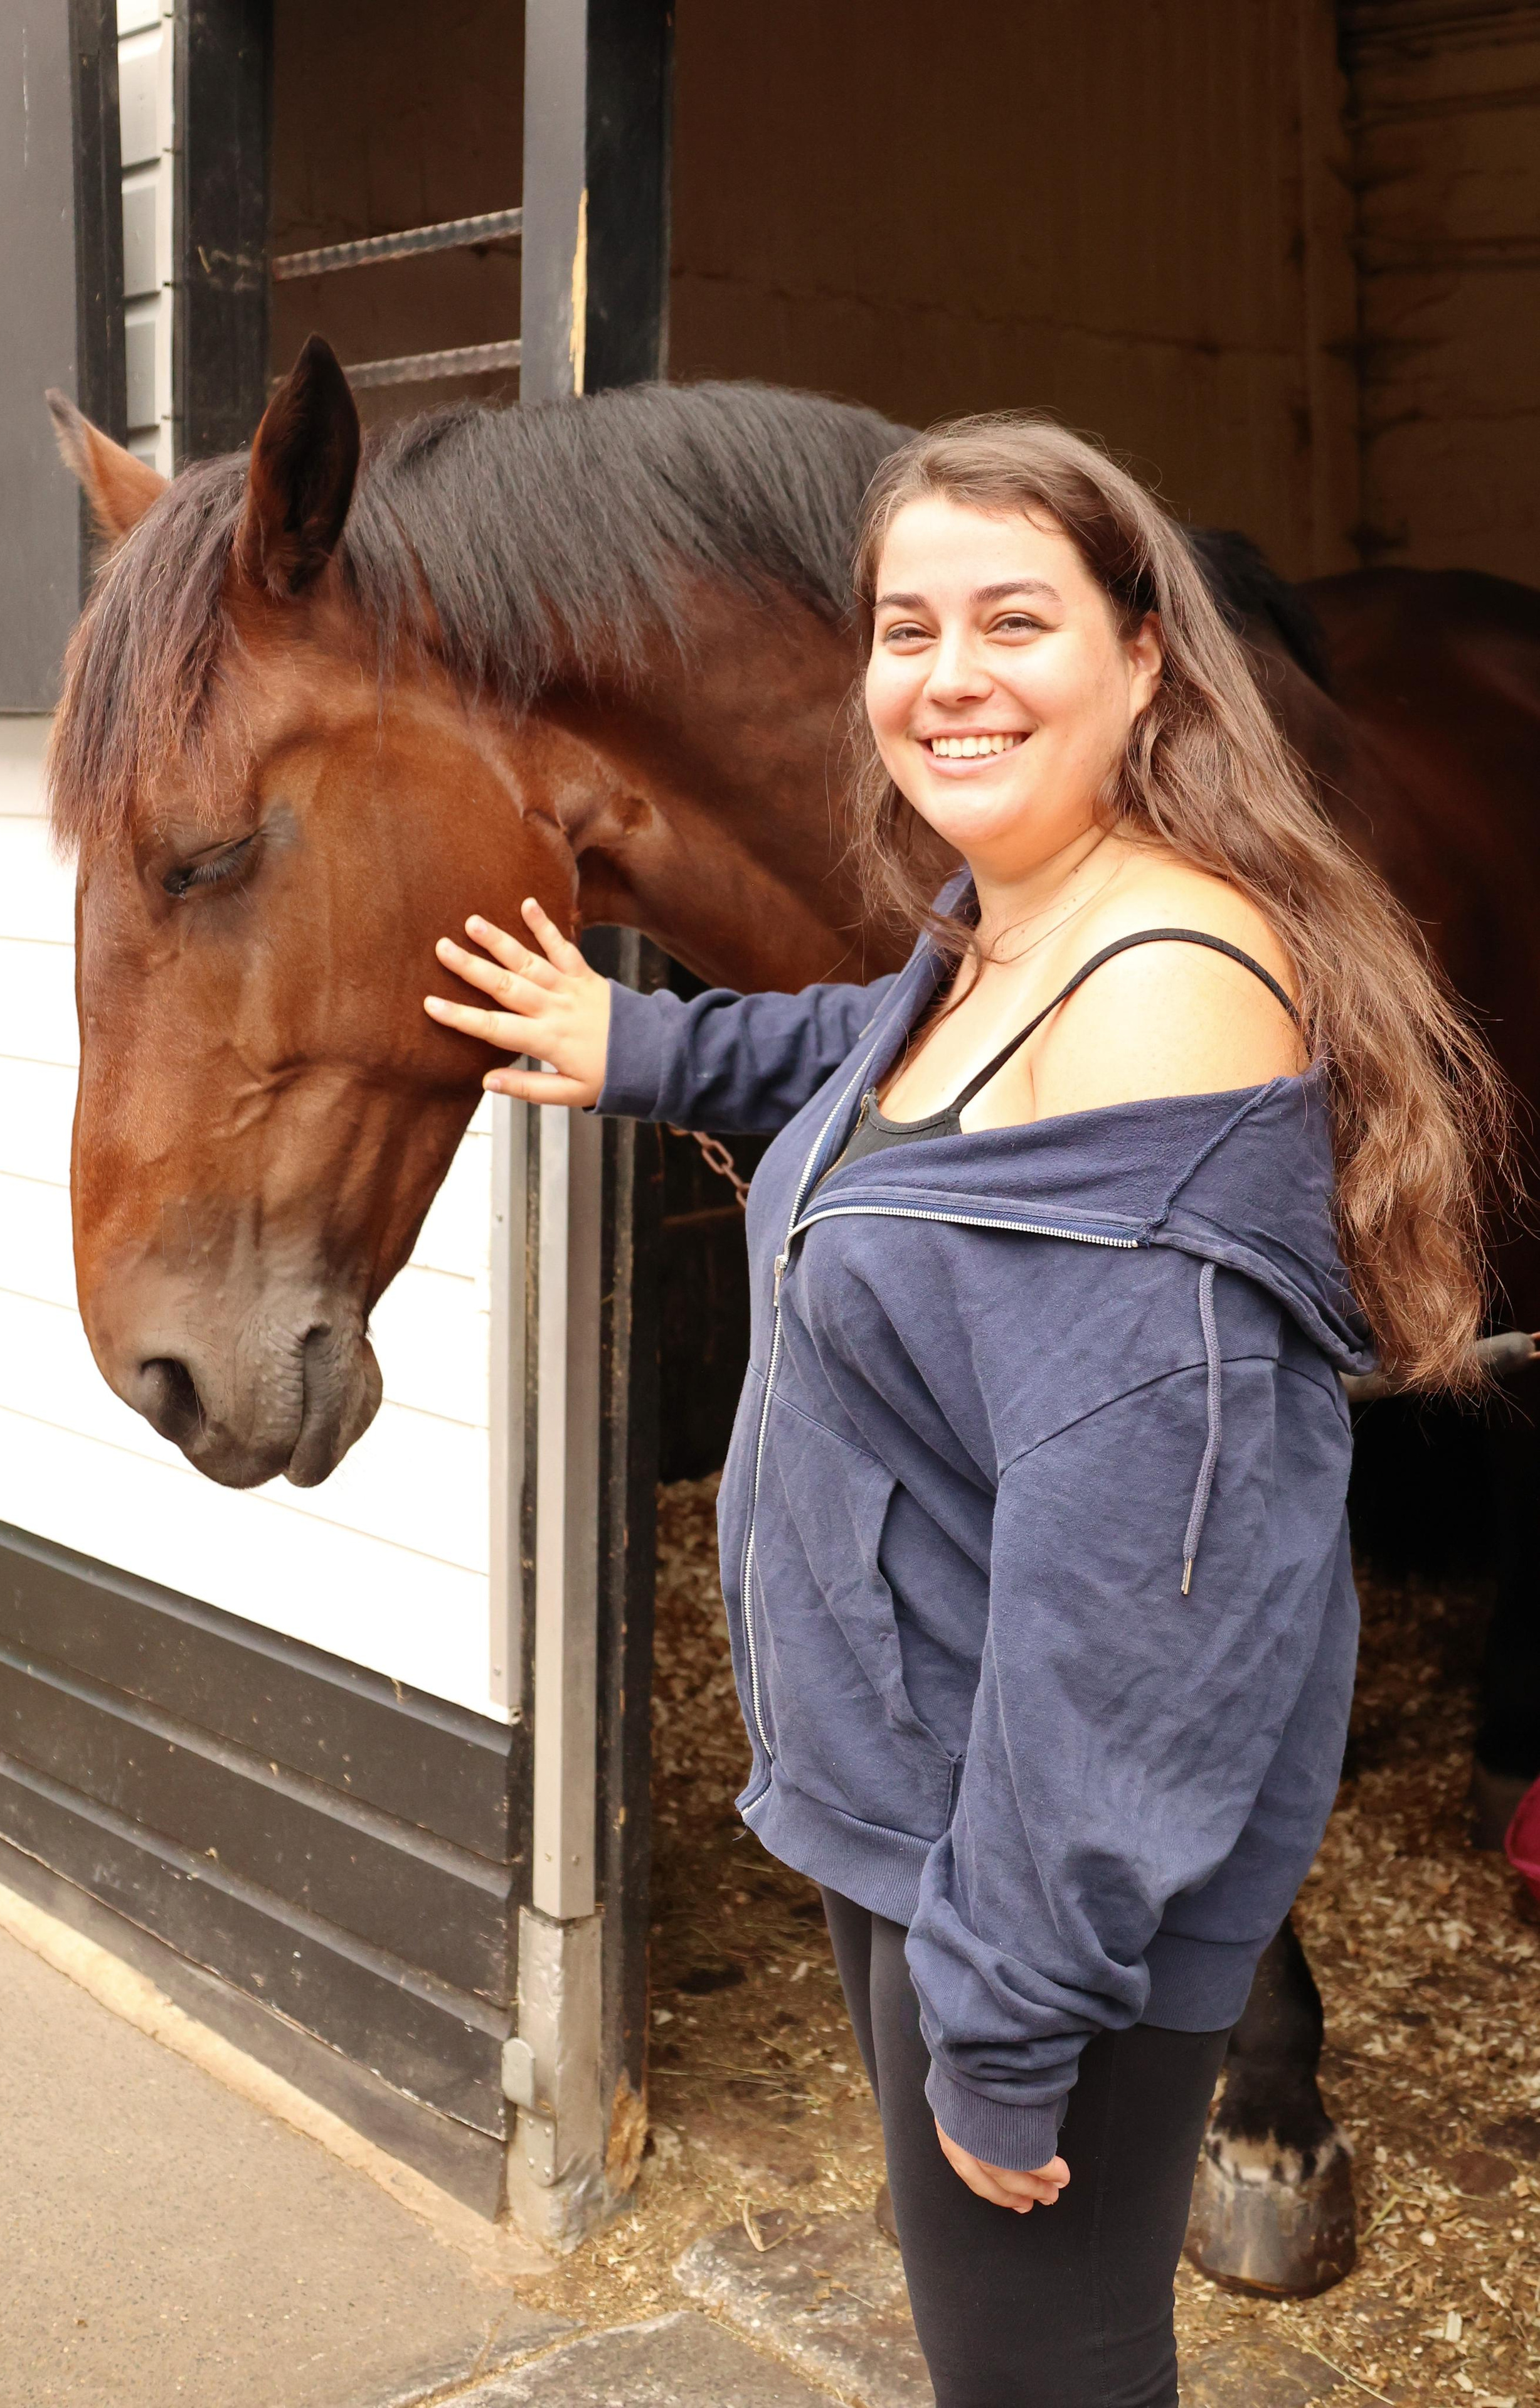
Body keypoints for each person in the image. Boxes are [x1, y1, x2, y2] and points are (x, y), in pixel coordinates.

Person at [423, 416, 1502, 2407]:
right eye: (906, 628)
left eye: (1015, 621)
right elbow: (878, 1053)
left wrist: (1008, 2015)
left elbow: (1143, 1612)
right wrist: (644, 1042)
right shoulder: (998, 937)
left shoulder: (1163, 992)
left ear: (1144, 659)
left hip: (1021, 1889)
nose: (947, 676)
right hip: (922, 1823)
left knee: (1045, 2378)